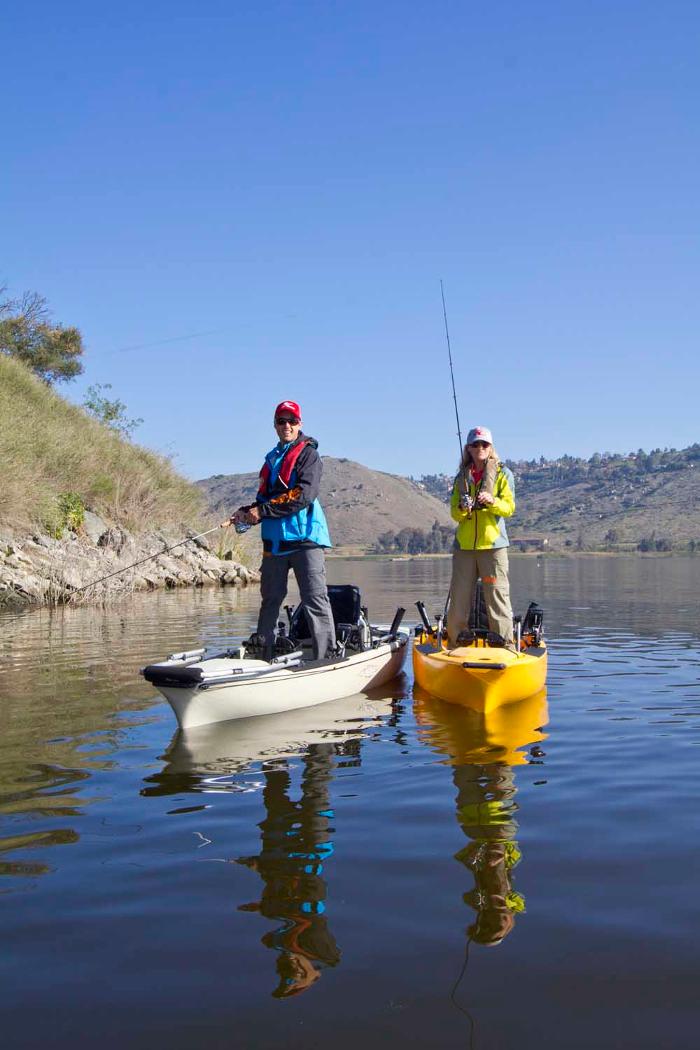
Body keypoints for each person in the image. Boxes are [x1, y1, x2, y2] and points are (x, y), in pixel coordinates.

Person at [223, 400, 336, 660]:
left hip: (306, 540)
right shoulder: (271, 459)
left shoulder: (309, 455)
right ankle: (263, 655)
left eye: (292, 421)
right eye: (281, 421)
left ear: (300, 424)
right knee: (270, 600)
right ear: (274, 425)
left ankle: (326, 659)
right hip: (274, 542)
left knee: (314, 600)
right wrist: (247, 512)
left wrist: (261, 512)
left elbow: (302, 495)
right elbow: (266, 499)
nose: (287, 425)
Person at [447, 425, 516, 650]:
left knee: (497, 596)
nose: (479, 448)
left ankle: (504, 644)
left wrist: (493, 501)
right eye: (475, 444)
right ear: (468, 448)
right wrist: (463, 508)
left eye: (484, 444)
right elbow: (454, 514)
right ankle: (457, 643)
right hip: (464, 548)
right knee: (459, 598)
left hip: (493, 548)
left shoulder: (504, 474)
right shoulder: (461, 478)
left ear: (490, 447)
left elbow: (509, 508)